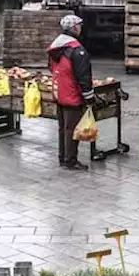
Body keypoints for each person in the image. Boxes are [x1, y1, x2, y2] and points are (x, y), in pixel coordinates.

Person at [47, 14, 96, 171]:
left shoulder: (56, 47)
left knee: (63, 128)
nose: (81, 28)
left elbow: (51, 68)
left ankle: (63, 157)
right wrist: (89, 97)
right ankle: (70, 160)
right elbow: (83, 77)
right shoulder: (76, 50)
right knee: (72, 128)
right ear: (74, 28)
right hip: (72, 94)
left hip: (59, 92)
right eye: (79, 26)